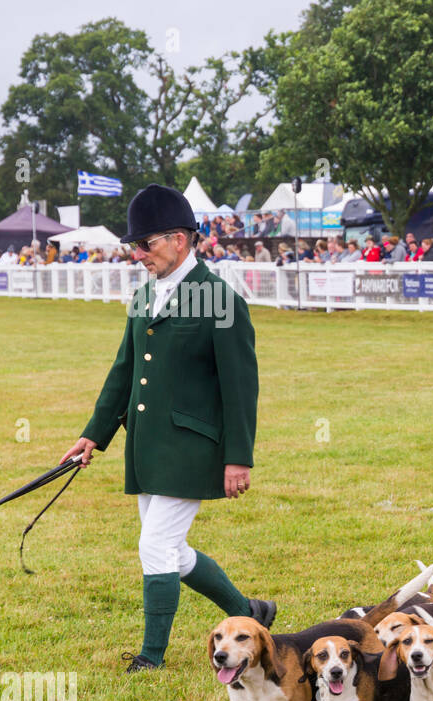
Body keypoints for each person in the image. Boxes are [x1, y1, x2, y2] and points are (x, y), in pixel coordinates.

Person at [58, 184, 272, 672]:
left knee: (154, 546)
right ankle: (252, 615)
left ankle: (152, 655)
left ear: (179, 240)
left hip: (192, 448)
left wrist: (238, 457)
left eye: (145, 244)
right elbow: (125, 370)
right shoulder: (144, 295)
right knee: (171, 552)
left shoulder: (220, 300)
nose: (137, 254)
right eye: (134, 245)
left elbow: (242, 388)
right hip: (148, 446)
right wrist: (95, 433)